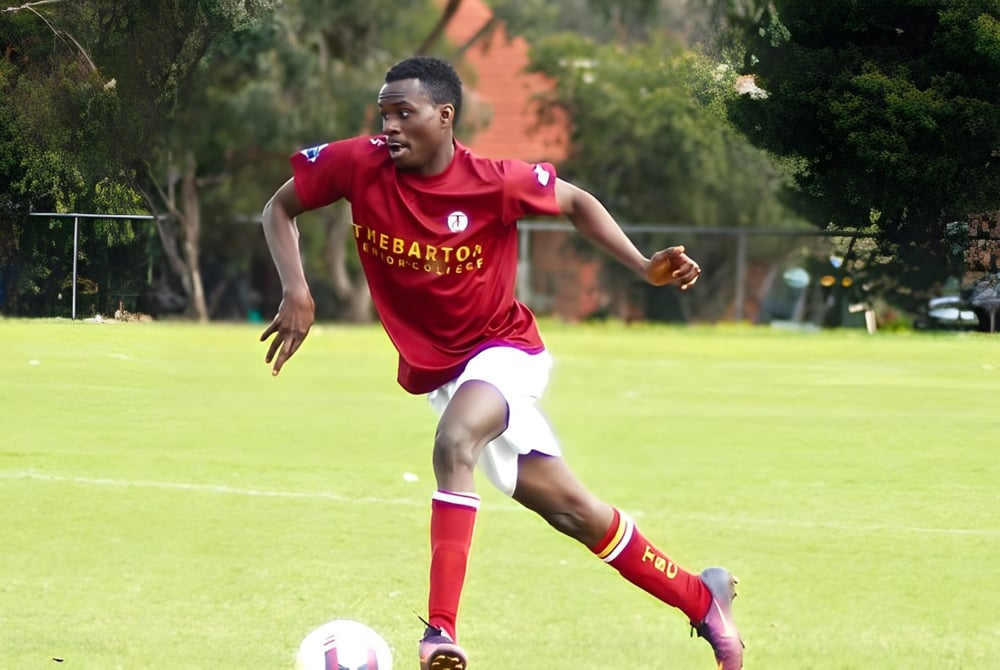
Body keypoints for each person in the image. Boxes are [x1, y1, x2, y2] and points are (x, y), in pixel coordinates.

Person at [260, 56, 744, 670]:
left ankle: (440, 633)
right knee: (571, 510)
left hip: (504, 351)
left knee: (454, 442)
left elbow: (575, 201)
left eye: (403, 113)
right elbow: (279, 208)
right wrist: (296, 290)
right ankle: (704, 601)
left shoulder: (494, 180)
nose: (390, 127)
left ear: (445, 116)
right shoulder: (359, 162)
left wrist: (642, 265)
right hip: (446, 373)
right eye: (383, 113)